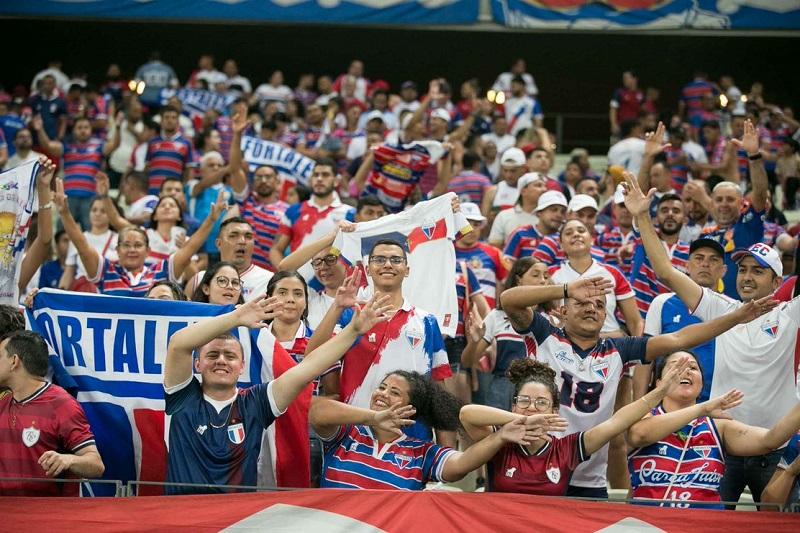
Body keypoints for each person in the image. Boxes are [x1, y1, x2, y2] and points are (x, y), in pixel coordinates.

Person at [500, 274, 776, 498]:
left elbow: (679, 339)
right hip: (535, 466)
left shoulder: (619, 350)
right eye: (581, 302)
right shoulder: (545, 334)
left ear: (606, 316)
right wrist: (566, 288)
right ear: (562, 311)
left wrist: (736, 317)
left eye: (599, 305)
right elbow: (508, 300)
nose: (591, 308)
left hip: (589, 477)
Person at [622, 166, 800, 508]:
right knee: (709, 524)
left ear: (777, 282)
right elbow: (665, 272)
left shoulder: (791, 314)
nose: (746, 277)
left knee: (779, 527)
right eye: (743, 269)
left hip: (775, 447)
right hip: (721, 442)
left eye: (758, 271)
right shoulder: (723, 309)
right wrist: (642, 217)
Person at [162, 292, 392, 494]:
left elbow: (307, 369)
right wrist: (235, 318)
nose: (221, 360)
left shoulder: (254, 402)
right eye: (212, 355)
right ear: (197, 365)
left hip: (235, 519)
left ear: (242, 367)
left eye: (230, 356)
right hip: (182, 516)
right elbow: (178, 344)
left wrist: (353, 330)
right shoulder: (183, 396)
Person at [460, 355, 694, 496]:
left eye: (541, 403)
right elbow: (466, 414)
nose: (531, 408)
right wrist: (518, 422)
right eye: (524, 401)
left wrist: (661, 391)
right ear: (513, 406)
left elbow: (618, 422)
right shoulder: (499, 439)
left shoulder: (567, 447)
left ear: (554, 411)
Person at [311, 242, 454, 444]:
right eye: (379, 259)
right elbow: (312, 358)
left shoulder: (427, 322)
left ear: (407, 270)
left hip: (412, 439)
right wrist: (337, 307)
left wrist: (445, 450)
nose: (387, 264)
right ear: (368, 269)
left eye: (395, 259)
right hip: (355, 437)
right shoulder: (351, 316)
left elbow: (439, 390)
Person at [628, 351, 800, 509]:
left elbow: (770, 440)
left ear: (702, 385)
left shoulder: (718, 426)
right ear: (658, 383)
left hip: (705, 524)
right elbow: (640, 435)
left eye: (693, 368)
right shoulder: (642, 418)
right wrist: (700, 410)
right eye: (676, 366)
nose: (686, 371)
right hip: (649, 523)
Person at [311, 370, 533, 490]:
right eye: (382, 387)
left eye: (395, 393)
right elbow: (315, 411)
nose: (383, 394)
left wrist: (500, 436)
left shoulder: (422, 452)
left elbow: (461, 464)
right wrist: (373, 418)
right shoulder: (348, 434)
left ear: (411, 409)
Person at [56, 180, 224, 297]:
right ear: (117, 250)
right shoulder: (105, 271)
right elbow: (82, 246)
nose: (132, 249)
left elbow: (190, 248)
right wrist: (64, 213)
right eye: (126, 245)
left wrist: (211, 219)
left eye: (137, 245)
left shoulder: (161, 271)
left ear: (148, 251)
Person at [0, 331, 104, 496]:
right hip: (7, 510)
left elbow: (96, 465)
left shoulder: (62, 405)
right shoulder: (3, 403)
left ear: (14, 361)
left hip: (47, 510)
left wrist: (69, 460)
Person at [634, 238, 727, 402]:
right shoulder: (662, 302)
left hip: (715, 404)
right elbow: (645, 359)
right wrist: (638, 407)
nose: (705, 264)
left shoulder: (731, 309)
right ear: (687, 266)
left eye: (713, 260)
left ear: (723, 270)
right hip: (668, 404)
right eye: (699, 258)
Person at [462, 257, 552, 410]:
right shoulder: (496, 316)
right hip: (502, 392)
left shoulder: (552, 319)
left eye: (546, 276)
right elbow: (467, 363)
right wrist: (475, 341)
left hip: (539, 393)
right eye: (536, 275)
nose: (543, 281)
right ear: (518, 280)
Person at [550, 219, 643, 337]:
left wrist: (635, 346)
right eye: (569, 233)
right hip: (565, 343)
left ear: (592, 240)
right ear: (561, 245)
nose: (576, 234)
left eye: (581, 231)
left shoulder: (613, 273)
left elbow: (635, 322)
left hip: (612, 343)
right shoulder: (550, 275)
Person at [32, 115, 121, 229]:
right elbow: (47, 145)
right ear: (74, 130)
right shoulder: (67, 147)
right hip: (69, 197)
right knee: (62, 231)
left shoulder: (99, 146)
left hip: (90, 197)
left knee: (89, 232)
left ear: (91, 130)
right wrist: (39, 129)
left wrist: (118, 127)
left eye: (86, 127)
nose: (83, 130)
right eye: (79, 127)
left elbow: (114, 145)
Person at [228, 107, 289, 270]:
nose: (263, 181)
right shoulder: (246, 201)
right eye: (258, 177)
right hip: (241, 273)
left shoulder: (288, 212)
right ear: (253, 182)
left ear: (277, 182)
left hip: (270, 276)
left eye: (268, 177)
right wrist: (237, 135)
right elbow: (234, 169)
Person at [270, 158, 355, 268]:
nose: (319, 179)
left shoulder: (350, 213)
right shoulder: (294, 210)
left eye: (325, 175)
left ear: (336, 181)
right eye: (315, 175)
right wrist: (285, 273)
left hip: (334, 278)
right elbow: (276, 249)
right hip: (297, 278)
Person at [184, 217, 274, 302]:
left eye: (248, 236)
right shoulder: (200, 279)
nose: (242, 241)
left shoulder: (268, 280)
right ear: (219, 244)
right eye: (233, 236)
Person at [502, 189, 566, 266]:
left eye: (563, 212)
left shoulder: (565, 239)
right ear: (539, 212)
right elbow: (507, 263)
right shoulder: (520, 233)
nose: (559, 215)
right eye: (553, 210)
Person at [145, 105, 195, 195]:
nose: (170, 120)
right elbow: (147, 168)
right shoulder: (152, 142)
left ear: (178, 122)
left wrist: (184, 192)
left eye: (173, 117)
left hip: (173, 193)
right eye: (166, 117)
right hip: (152, 191)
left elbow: (189, 171)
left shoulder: (186, 143)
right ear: (161, 121)